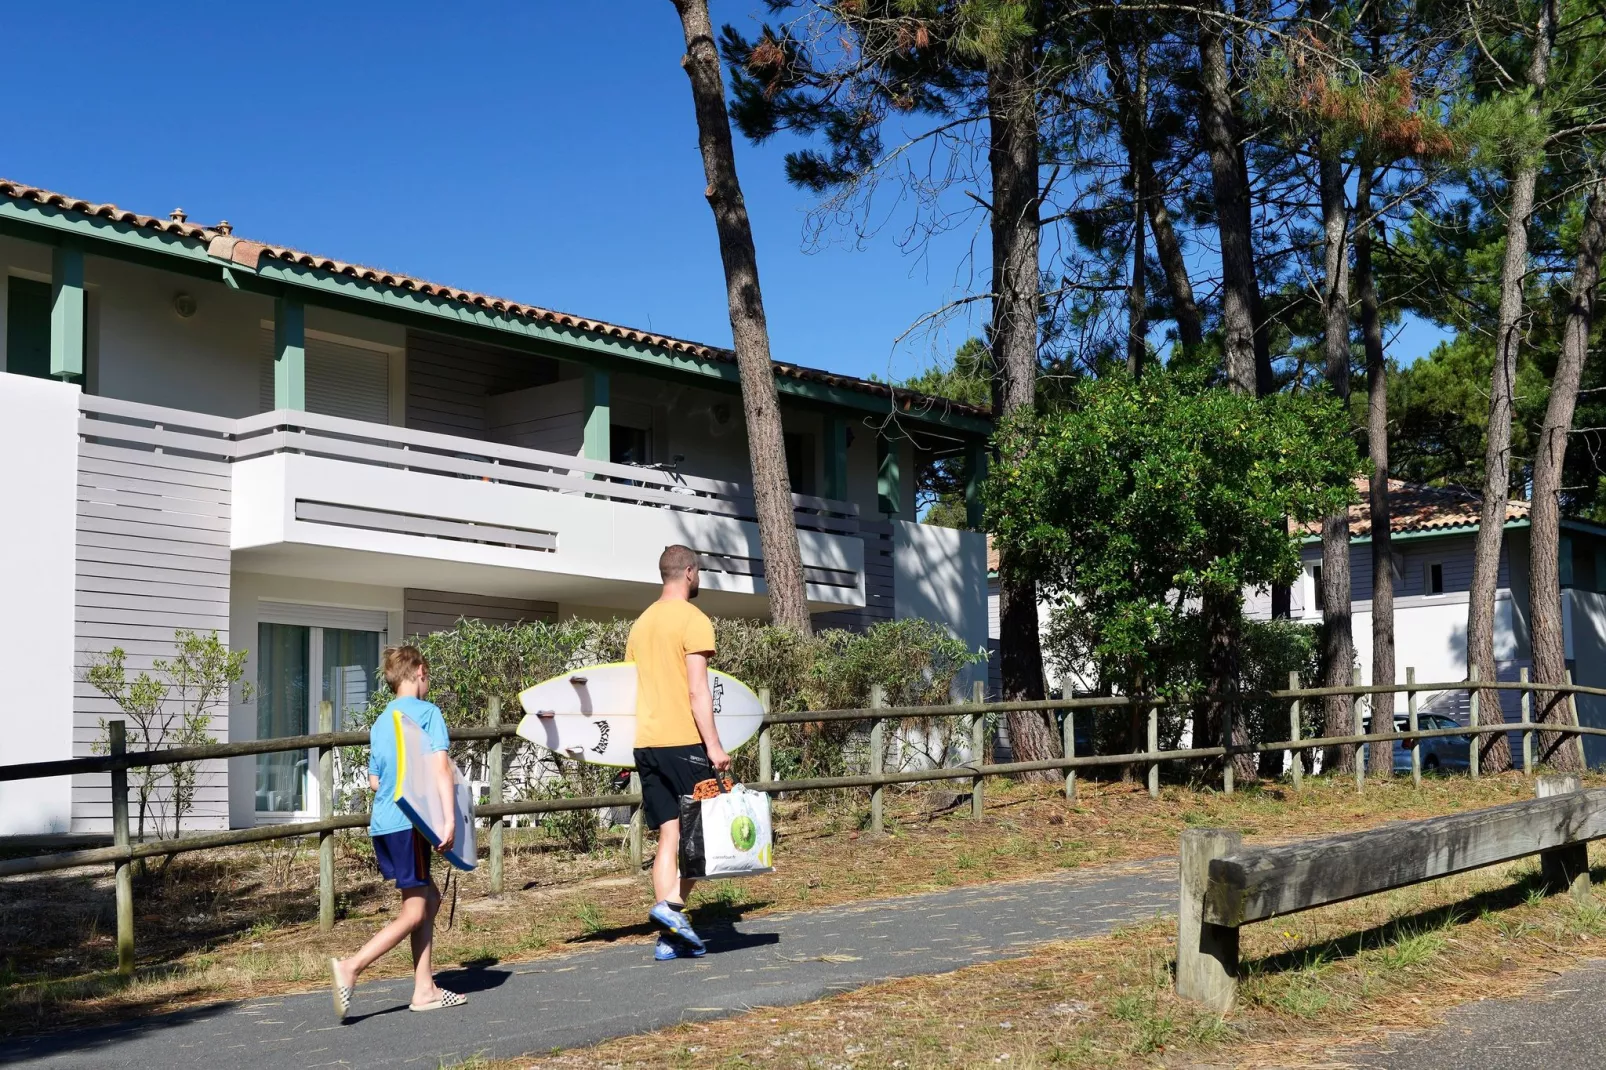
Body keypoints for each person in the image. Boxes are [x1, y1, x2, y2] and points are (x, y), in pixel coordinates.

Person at [329, 645, 466, 1018]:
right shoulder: (428, 713)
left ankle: (425, 988)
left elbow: (375, 781)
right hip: (412, 824)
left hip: (384, 825)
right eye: (428, 675)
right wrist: (449, 821)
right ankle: (351, 967)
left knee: (429, 902)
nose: (428, 681)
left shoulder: (380, 721)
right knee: (413, 912)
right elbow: (441, 770)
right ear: (420, 671)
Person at [628, 543, 732, 960]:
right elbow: (696, 690)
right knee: (702, 836)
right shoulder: (693, 619)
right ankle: (671, 909)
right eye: (700, 572)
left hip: (646, 744)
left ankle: (668, 939)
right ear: (689, 572)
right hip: (684, 742)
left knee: (670, 833)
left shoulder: (641, 623)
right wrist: (715, 745)